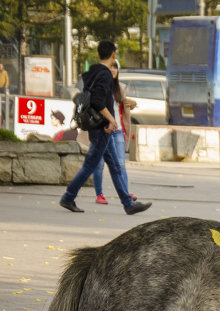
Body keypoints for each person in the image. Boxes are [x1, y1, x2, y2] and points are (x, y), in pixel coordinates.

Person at [59, 41, 151, 215]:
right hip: (102, 128)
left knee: (115, 166)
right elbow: (98, 101)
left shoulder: (93, 72)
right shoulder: (105, 75)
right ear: (113, 55)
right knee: (89, 166)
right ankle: (68, 197)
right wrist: (111, 120)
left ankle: (128, 204)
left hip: (97, 126)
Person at [92, 61, 138, 206]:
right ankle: (99, 194)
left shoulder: (120, 88)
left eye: (115, 67)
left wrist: (130, 103)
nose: (112, 70)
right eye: (109, 67)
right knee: (98, 165)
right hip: (101, 130)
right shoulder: (98, 86)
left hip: (117, 132)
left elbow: (121, 104)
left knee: (120, 164)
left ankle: (125, 193)